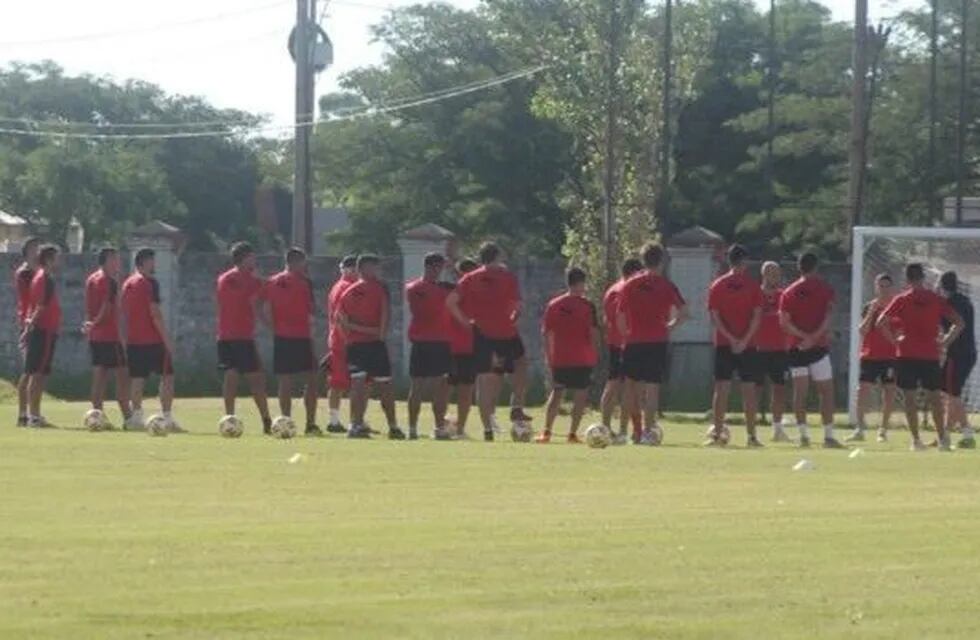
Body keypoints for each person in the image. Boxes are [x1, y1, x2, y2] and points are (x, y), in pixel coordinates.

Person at [447, 242, 533, 442]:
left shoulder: (470, 278)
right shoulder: (506, 277)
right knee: (520, 365)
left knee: (487, 382)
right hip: (506, 332)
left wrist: (466, 322)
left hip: (483, 334)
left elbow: (450, 302)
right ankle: (516, 406)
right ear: (497, 256)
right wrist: (512, 317)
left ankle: (488, 430)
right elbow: (517, 306)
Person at [877, 263, 963, 451]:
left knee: (909, 397)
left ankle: (916, 441)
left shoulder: (901, 299)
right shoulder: (935, 298)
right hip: (930, 354)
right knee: (935, 398)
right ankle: (942, 440)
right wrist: (945, 342)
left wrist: (895, 341)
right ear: (923, 277)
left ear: (907, 279)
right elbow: (959, 322)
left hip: (906, 354)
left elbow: (880, 322)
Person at [616, 242, 689, 445]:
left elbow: (620, 315)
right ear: (662, 261)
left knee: (630, 388)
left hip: (634, 341)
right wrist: (669, 326)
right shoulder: (667, 285)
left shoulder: (630, 284)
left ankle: (628, 431)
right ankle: (648, 432)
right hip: (657, 341)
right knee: (652, 389)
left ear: (643, 260)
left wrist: (626, 336)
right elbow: (684, 313)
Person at [779, 252, 843, 448]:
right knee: (826, 391)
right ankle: (829, 436)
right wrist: (814, 337)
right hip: (818, 347)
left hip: (796, 347)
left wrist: (803, 337)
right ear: (816, 267)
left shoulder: (789, 292)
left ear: (799, 267)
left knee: (800, 392)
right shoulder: (825, 289)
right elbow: (829, 316)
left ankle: (803, 436)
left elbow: (784, 323)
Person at [337, 254, 403, 439]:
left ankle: (386, 425)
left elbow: (343, 322)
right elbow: (380, 329)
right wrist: (362, 333)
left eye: (376, 267)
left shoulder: (366, 290)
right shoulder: (367, 290)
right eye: (373, 267)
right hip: (366, 346)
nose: (376, 271)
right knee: (365, 385)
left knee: (379, 385)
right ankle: (360, 425)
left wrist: (353, 330)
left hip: (365, 345)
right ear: (363, 269)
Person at [706, 244, 764, 447]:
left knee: (721, 388)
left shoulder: (717, 285)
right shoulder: (752, 286)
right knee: (748, 390)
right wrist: (743, 340)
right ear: (744, 261)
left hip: (724, 344)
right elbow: (756, 317)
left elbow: (715, 318)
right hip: (746, 345)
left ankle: (717, 434)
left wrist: (731, 339)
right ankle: (751, 437)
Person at [215, 242, 272, 434]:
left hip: (231, 336)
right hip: (237, 337)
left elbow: (257, 303)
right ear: (244, 258)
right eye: (252, 257)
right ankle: (260, 419)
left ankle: (238, 418)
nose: (255, 260)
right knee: (251, 378)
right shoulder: (236, 279)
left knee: (236, 376)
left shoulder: (230, 278)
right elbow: (255, 294)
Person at [538, 267, 600, 443]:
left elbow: (547, 333)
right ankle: (572, 434)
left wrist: (549, 356)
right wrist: (595, 353)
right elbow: (593, 332)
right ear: (581, 283)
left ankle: (547, 432)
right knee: (580, 394)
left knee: (557, 393)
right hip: (583, 357)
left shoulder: (554, 305)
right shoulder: (588, 306)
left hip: (560, 357)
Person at [263, 248, 320, 435]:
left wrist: (274, 329)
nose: (305, 267)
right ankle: (310, 424)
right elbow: (311, 311)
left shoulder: (271, 282)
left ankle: (286, 420)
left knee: (284, 381)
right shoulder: (305, 282)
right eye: (304, 263)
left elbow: (266, 310)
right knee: (311, 380)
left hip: (282, 337)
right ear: (296, 262)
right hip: (301, 336)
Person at [122, 248, 179, 431]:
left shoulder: (127, 283)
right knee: (168, 376)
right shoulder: (149, 283)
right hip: (152, 339)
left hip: (133, 339)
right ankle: (167, 417)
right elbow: (155, 314)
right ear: (144, 262)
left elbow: (123, 313)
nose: (155, 265)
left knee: (138, 378)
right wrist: (167, 340)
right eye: (152, 261)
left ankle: (136, 417)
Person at [405, 253, 453, 440]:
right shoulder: (419, 288)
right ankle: (416, 428)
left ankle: (434, 427)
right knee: (422, 386)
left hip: (434, 341)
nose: (438, 271)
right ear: (430, 267)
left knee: (436, 386)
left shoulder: (436, 288)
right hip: (429, 341)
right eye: (437, 267)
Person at [83, 247, 131, 425]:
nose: (118, 263)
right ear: (107, 260)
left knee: (99, 375)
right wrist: (96, 323)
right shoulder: (109, 281)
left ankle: (97, 416)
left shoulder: (91, 279)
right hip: (110, 335)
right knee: (123, 374)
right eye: (115, 259)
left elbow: (89, 306)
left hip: (95, 336)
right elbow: (107, 307)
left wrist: (90, 324)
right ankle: (128, 416)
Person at [848, 273, 897, 443]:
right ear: (876, 287)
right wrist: (871, 312)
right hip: (869, 355)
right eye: (880, 286)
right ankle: (860, 428)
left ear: (892, 288)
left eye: (886, 286)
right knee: (862, 390)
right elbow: (862, 331)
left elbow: (899, 333)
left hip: (890, 357)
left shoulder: (897, 307)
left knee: (889, 392)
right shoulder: (869, 306)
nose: (883, 289)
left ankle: (882, 430)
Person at [599, 258, 644, 445]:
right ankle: (625, 430)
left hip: (614, 342)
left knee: (612, 384)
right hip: (628, 342)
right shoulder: (629, 289)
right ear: (634, 272)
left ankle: (606, 426)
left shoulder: (611, 290)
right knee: (630, 388)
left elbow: (605, 318)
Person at [21, 244, 61, 428]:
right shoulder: (45, 278)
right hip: (44, 331)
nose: (58, 262)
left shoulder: (37, 277)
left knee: (35, 373)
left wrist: (28, 326)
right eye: (56, 258)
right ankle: (34, 415)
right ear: (49, 259)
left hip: (41, 330)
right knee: (38, 374)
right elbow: (41, 307)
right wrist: (30, 327)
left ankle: (32, 414)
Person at [938, 271, 977, 449]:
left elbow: (958, 325)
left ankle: (956, 434)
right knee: (951, 393)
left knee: (952, 394)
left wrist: (944, 342)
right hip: (967, 352)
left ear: (941, 285)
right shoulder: (964, 300)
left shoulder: (952, 303)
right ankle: (953, 433)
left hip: (958, 354)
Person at [324, 255, 358, 434]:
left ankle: (342, 419)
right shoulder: (346, 288)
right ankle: (338, 421)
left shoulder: (339, 286)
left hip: (339, 339)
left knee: (344, 382)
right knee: (343, 383)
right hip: (344, 341)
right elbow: (340, 317)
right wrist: (348, 340)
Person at [756, 261, 790, 441]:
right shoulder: (755, 295)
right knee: (755, 389)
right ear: (763, 275)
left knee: (780, 389)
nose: (774, 277)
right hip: (758, 348)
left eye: (777, 273)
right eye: (770, 273)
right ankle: (752, 429)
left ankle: (777, 429)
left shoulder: (784, 295)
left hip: (779, 349)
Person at [447, 258, 478, 438]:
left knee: (466, 388)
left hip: (469, 346)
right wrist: (466, 323)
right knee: (449, 387)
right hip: (454, 345)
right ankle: (443, 426)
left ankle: (460, 428)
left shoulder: (477, 293)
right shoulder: (457, 291)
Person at [13, 236, 40, 427]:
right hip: (29, 324)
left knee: (36, 371)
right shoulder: (24, 273)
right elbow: (30, 299)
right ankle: (24, 413)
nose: (37, 252)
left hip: (39, 324)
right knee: (29, 370)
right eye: (34, 249)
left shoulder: (39, 272)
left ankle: (32, 412)